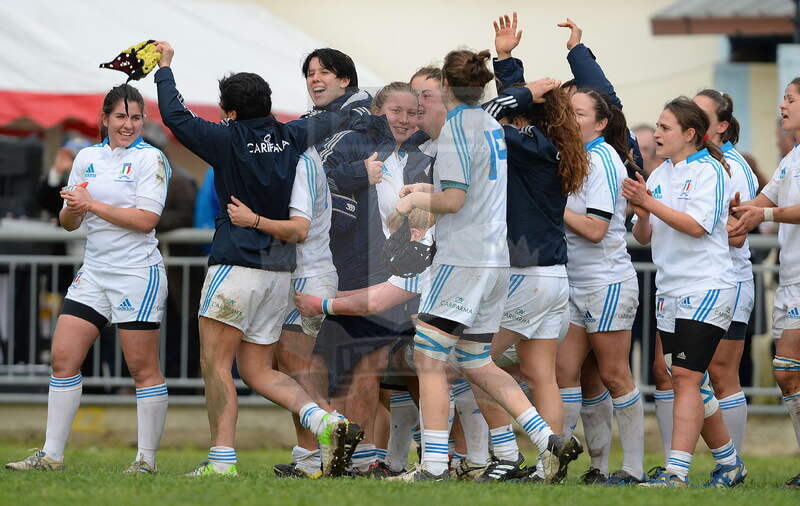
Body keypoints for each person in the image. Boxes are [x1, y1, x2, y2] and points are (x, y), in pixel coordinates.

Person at [152, 41, 364, 477]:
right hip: (278, 275)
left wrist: (165, 69)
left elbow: (175, 116)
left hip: (233, 267)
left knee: (215, 365)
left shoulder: (224, 138)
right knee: (256, 369)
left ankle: (222, 460)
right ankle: (326, 421)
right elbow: (337, 113)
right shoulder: (292, 135)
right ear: (269, 104)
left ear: (228, 112)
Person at [387, 48, 581, 483]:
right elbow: (469, 188)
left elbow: (453, 201)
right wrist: (428, 187)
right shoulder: (490, 124)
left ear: (448, 90)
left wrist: (415, 199)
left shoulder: (459, 128)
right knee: (476, 360)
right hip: (496, 261)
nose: (421, 104)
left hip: (464, 260)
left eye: (427, 94)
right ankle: (548, 440)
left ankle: (433, 466)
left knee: (429, 358)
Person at [6, 85, 171, 474]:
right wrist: (74, 208)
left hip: (137, 273)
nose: (128, 124)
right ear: (104, 118)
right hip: (94, 271)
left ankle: (145, 460)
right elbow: (68, 222)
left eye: (135, 117)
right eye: (120, 116)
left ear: (143, 120)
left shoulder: (152, 159)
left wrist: (92, 204)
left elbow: (147, 220)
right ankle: (51, 455)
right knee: (63, 358)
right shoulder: (86, 157)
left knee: (141, 368)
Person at [625, 97, 747, 488]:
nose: (657, 134)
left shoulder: (711, 170)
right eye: (658, 127)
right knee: (685, 378)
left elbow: (697, 226)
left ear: (690, 134)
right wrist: (643, 212)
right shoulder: (660, 174)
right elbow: (643, 236)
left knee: (686, 375)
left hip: (707, 286)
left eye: (665, 128)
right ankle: (730, 463)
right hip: (670, 290)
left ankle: (676, 472)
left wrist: (650, 203)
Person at [313, 82, 429, 477]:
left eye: (413, 113)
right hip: (358, 273)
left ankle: (443, 457)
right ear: (377, 109)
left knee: (390, 369)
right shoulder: (352, 141)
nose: (406, 120)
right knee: (353, 369)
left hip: (407, 277)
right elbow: (319, 180)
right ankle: (352, 457)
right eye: (396, 111)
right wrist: (357, 174)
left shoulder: (420, 156)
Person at [552, 88, 645, 485]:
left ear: (601, 123)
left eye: (579, 113)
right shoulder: (573, 156)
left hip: (606, 282)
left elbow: (596, 228)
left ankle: (633, 468)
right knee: (568, 371)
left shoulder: (604, 160)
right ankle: (584, 467)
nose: (569, 120)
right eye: (567, 113)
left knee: (613, 374)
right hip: (574, 281)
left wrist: (552, 207)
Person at [729, 77, 800, 488]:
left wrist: (763, 218)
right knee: (789, 373)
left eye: (790, 99)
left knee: (788, 367)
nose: (782, 105)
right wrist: (730, 215)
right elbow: (766, 199)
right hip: (790, 278)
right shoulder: (792, 157)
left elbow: (772, 212)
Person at [695, 90, 756, 453]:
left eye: (701, 113)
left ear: (721, 126)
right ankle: (680, 463)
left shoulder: (734, 167)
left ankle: (734, 464)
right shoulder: (693, 161)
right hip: (693, 282)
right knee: (672, 373)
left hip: (730, 282)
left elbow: (737, 234)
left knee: (720, 374)